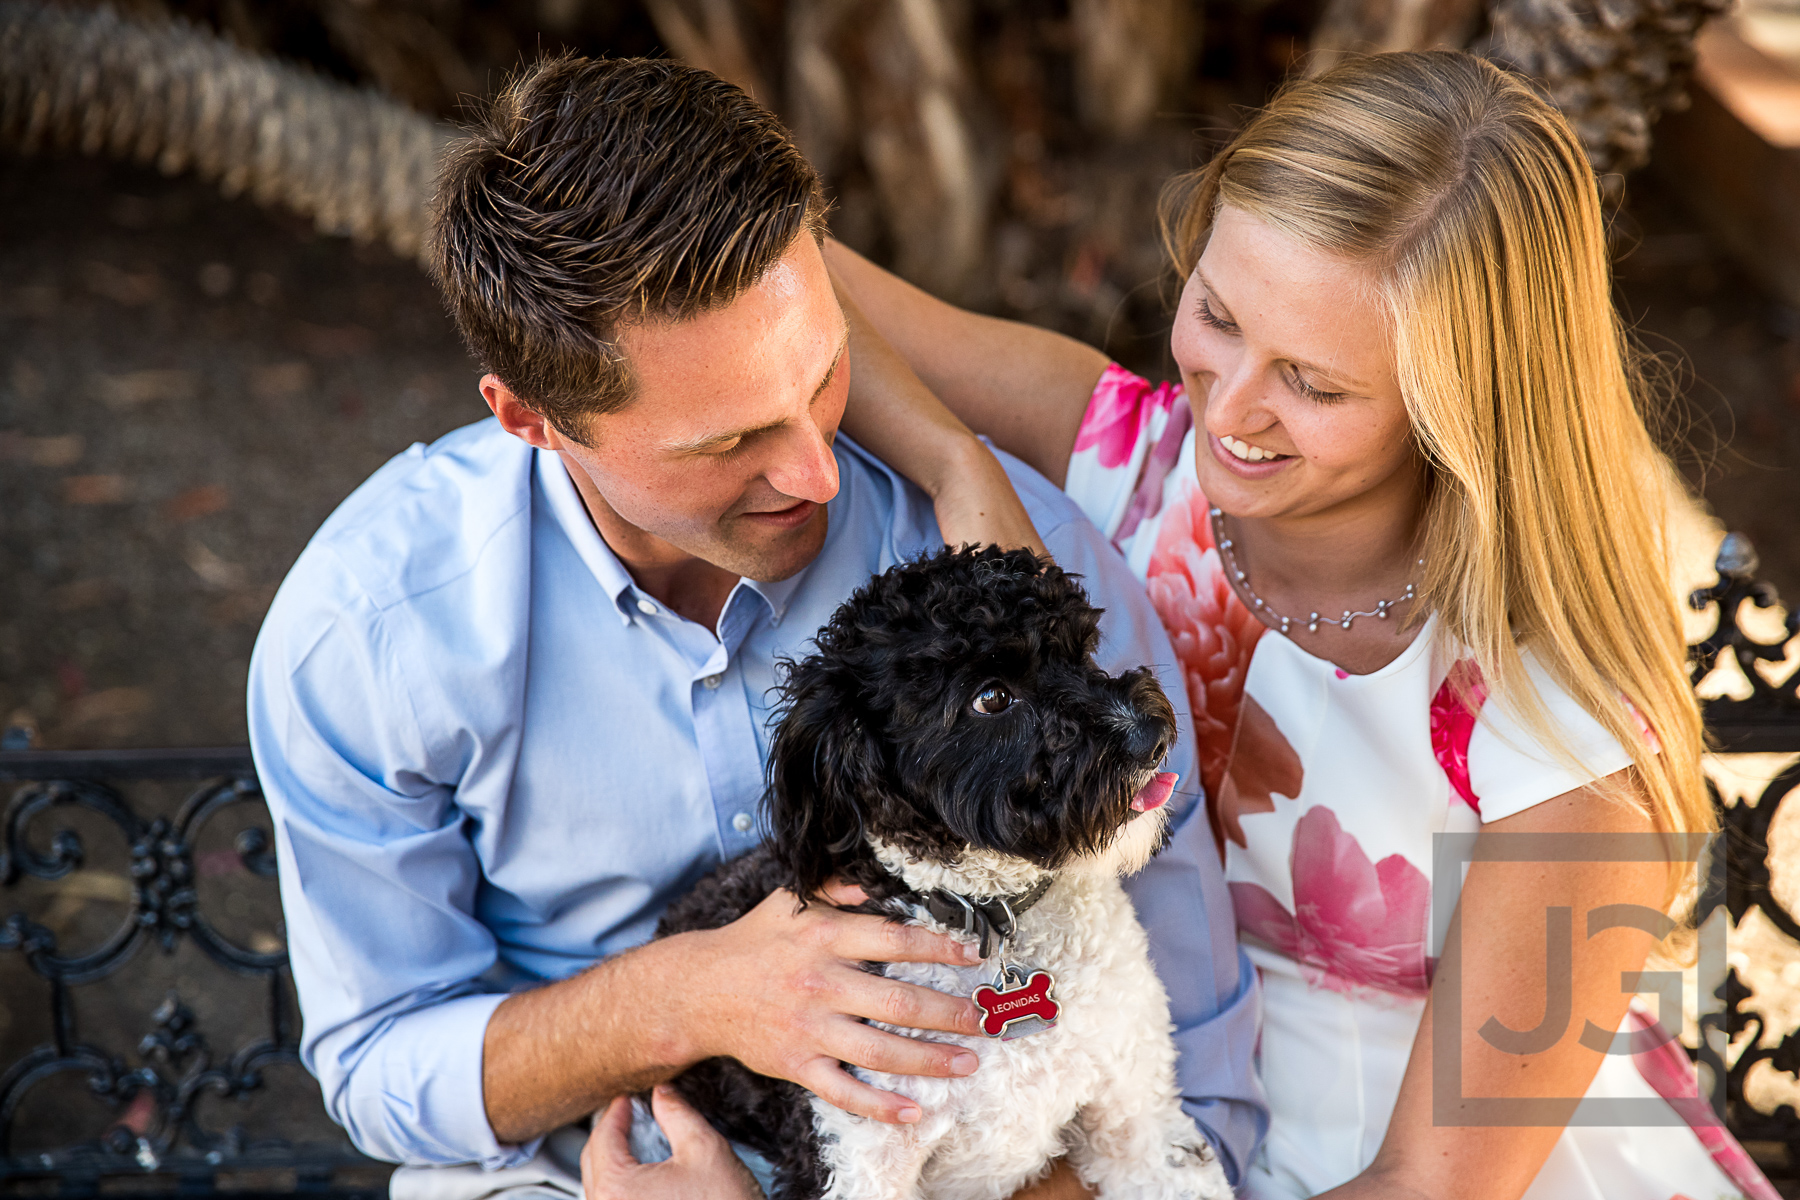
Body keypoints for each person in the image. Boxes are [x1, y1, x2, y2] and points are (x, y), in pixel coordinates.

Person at [246, 53, 1264, 1200]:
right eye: (724, 443)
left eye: (827, 377)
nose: (819, 473)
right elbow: (385, 1058)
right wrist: (681, 997)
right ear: (530, 417)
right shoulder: (372, 638)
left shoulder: (1013, 564)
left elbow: (1199, 1072)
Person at [830, 49, 1782, 1200]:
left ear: (1459, 405)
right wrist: (951, 460)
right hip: (1131, 1098)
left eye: (1315, 386)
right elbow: (790, 272)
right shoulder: (1127, 465)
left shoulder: (1567, 731)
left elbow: (1435, 1187)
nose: (1226, 408)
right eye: (1217, 316)